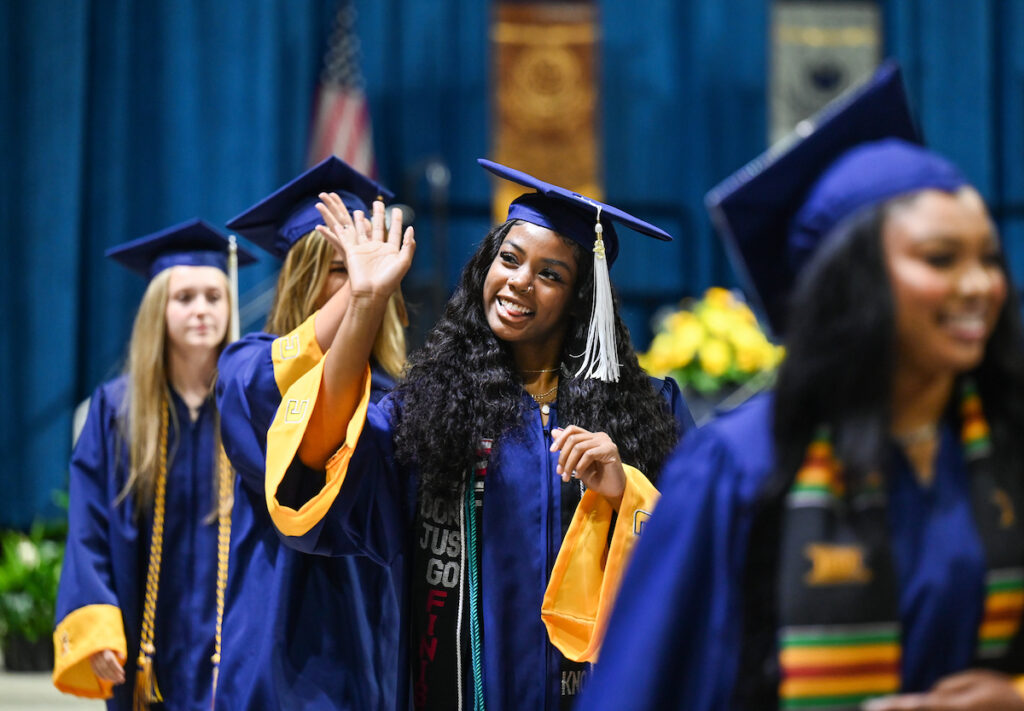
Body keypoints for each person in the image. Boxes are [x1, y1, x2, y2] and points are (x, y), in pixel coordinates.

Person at [576, 62, 1024, 711]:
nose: (979, 285)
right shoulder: (741, 467)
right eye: (940, 259)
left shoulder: (1005, 446)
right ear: (853, 282)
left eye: (988, 258)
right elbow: (643, 687)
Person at [262, 160, 693, 710]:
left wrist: (624, 491)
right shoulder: (428, 410)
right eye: (509, 259)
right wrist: (365, 303)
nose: (519, 280)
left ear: (582, 300)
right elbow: (318, 462)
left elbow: (702, 551)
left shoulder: (650, 411)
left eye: (551, 274)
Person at [214, 156, 407, 710]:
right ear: (302, 276)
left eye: (366, 266)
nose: (360, 277)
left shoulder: (398, 392)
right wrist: (363, 292)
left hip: (378, 639)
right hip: (282, 642)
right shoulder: (245, 366)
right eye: (340, 267)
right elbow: (289, 391)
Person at [53, 220, 256, 710]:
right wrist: (98, 627)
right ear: (157, 310)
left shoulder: (249, 404)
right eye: (184, 297)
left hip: (232, 642)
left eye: (214, 296)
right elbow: (88, 527)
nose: (201, 309)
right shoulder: (118, 410)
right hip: (143, 643)